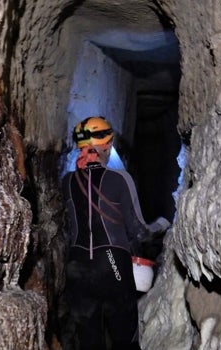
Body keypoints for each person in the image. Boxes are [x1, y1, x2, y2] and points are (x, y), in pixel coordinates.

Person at [60, 116, 170, 350]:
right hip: (112, 265)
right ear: (106, 145)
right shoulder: (120, 179)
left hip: (77, 266)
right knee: (124, 336)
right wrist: (161, 225)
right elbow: (139, 232)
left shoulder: (67, 181)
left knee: (88, 341)